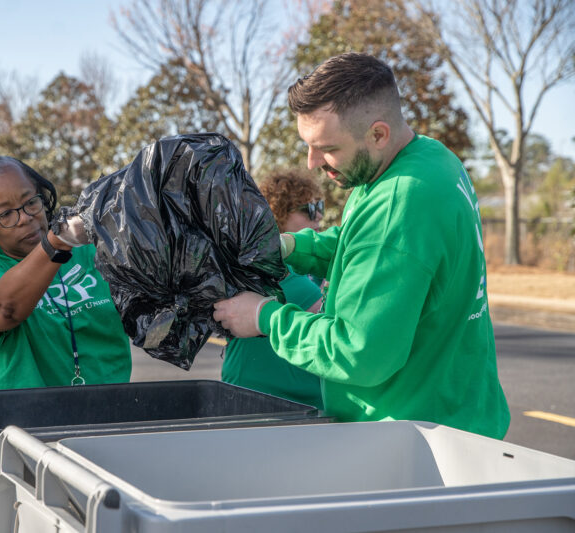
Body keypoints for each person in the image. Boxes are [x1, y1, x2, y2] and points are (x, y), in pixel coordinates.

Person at [213, 53, 510, 439]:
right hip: (459, 407)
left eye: (327, 148)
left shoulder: (399, 203)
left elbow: (357, 353)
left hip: (415, 437)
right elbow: (360, 242)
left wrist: (264, 317)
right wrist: (286, 246)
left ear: (378, 134)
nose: (312, 162)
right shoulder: (427, 159)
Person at [0, 156, 131, 390]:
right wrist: (57, 242)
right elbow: (5, 310)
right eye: (6, 214)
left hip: (109, 409)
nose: (25, 218)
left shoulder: (90, 252)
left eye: (31, 203)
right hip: (20, 418)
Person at [221, 170, 326, 408]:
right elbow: (332, 320)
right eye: (308, 209)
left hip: (307, 405)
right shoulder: (260, 266)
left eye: (319, 205)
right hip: (254, 400)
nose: (319, 214)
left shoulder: (316, 265)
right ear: (277, 213)